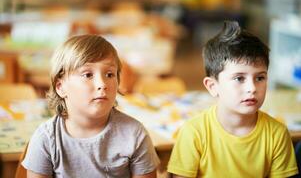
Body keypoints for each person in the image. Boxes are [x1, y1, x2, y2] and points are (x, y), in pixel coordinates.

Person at [167, 21, 298, 178]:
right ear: (212, 86)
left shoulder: (277, 134)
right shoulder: (194, 132)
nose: (252, 88)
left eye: (260, 77)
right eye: (239, 78)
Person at [22, 35, 160, 178]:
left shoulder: (135, 134)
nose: (102, 84)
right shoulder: (45, 139)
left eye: (109, 74)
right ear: (60, 87)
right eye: (87, 75)